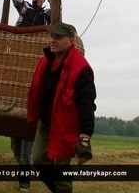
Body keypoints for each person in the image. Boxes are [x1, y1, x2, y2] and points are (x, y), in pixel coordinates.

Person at [27, 22, 96, 193]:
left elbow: (87, 103)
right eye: (51, 36)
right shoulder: (46, 61)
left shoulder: (81, 68)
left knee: (61, 172)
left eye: (58, 37)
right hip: (46, 122)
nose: (52, 40)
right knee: (37, 161)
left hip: (66, 127)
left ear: (70, 41)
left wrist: (85, 136)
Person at [10, 0, 51, 191]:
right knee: (16, 150)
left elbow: (58, 9)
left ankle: (24, 182)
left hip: (35, 57)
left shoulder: (46, 16)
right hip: (19, 54)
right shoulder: (25, 8)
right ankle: (24, 170)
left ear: (43, 0)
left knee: (25, 150)